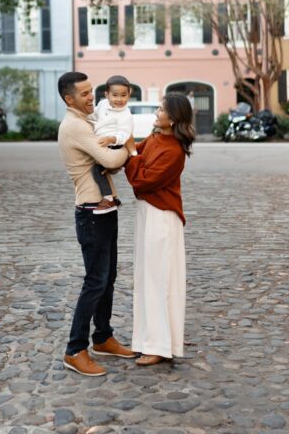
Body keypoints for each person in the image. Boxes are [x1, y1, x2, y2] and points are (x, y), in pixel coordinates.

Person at [57, 71, 139, 377]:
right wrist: (126, 145)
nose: (92, 97)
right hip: (91, 212)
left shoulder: (88, 121)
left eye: (93, 91)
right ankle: (75, 349)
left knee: (108, 277)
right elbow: (112, 161)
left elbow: (108, 160)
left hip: (105, 208)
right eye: (85, 94)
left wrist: (115, 151)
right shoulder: (75, 126)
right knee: (95, 281)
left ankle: (102, 337)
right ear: (69, 99)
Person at [125, 92, 193, 366]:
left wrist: (130, 152)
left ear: (174, 117)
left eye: (162, 108)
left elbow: (141, 181)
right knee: (146, 278)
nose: (157, 111)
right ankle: (147, 341)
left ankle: (160, 346)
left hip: (163, 217)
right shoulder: (156, 138)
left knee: (159, 280)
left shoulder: (174, 151)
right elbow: (134, 154)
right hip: (148, 214)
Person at [88, 75, 135, 215]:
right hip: (100, 141)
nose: (119, 99)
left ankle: (108, 199)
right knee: (101, 171)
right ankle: (114, 197)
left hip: (113, 145)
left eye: (123, 95)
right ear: (106, 94)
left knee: (96, 170)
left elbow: (124, 134)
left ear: (129, 94)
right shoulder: (102, 104)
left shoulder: (126, 115)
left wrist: (112, 139)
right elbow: (94, 116)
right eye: (115, 95)